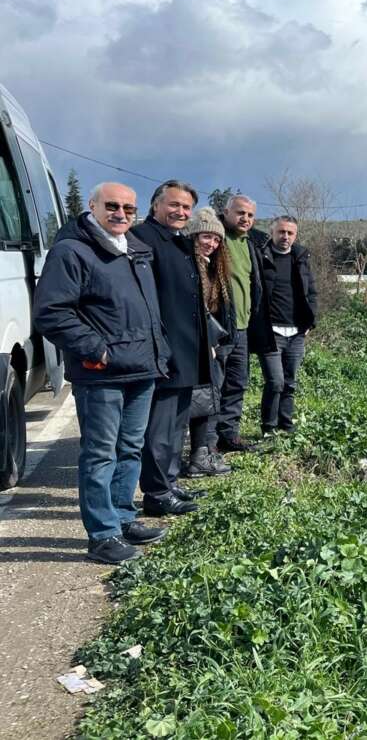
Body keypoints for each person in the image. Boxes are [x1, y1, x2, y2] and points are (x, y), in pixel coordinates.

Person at [33, 182, 170, 564]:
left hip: (141, 369)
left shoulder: (136, 251)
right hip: (102, 374)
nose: (121, 214)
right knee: (100, 454)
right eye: (112, 206)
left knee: (129, 449)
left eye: (129, 208)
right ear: (92, 205)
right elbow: (51, 313)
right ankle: (102, 535)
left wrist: (161, 349)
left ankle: (123, 518)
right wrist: (96, 350)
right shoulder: (72, 252)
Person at [132, 180, 209, 516]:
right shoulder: (144, 239)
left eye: (186, 207)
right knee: (160, 428)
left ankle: (170, 481)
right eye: (174, 205)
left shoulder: (178, 241)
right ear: (155, 205)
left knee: (176, 424)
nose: (181, 212)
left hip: (185, 348)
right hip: (164, 349)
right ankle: (157, 493)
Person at [216, 195, 275, 452]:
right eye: (240, 213)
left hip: (242, 327)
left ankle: (228, 435)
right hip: (217, 327)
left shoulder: (251, 243)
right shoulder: (215, 237)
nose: (246, 219)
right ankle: (206, 443)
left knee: (237, 383)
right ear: (226, 212)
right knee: (212, 386)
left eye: (250, 215)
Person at [183, 208, 235, 477]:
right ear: (193, 235)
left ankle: (202, 455)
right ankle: (194, 457)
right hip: (194, 346)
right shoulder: (187, 266)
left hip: (212, 346)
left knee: (208, 401)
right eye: (206, 237)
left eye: (216, 240)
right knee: (193, 403)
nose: (211, 244)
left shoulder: (214, 267)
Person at [256, 216, 318, 436]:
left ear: (295, 235)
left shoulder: (300, 258)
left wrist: (311, 322)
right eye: (281, 232)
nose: (285, 237)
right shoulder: (261, 257)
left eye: (290, 233)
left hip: (296, 332)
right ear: (272, 232)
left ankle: (286, 425)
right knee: (275, 381)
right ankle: (268, 427)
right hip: (271, 331)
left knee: (290, 382)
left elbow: (311, 292)